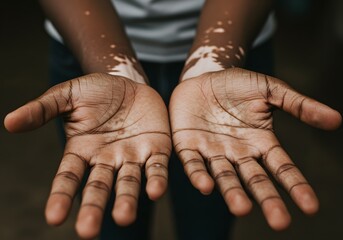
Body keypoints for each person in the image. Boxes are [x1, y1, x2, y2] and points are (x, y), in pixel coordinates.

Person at [4, 0, 342, 239]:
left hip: (236, 57)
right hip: (85, 49)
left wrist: (212, 62)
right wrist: (115, 67)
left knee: (209, 221)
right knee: (112, 219)